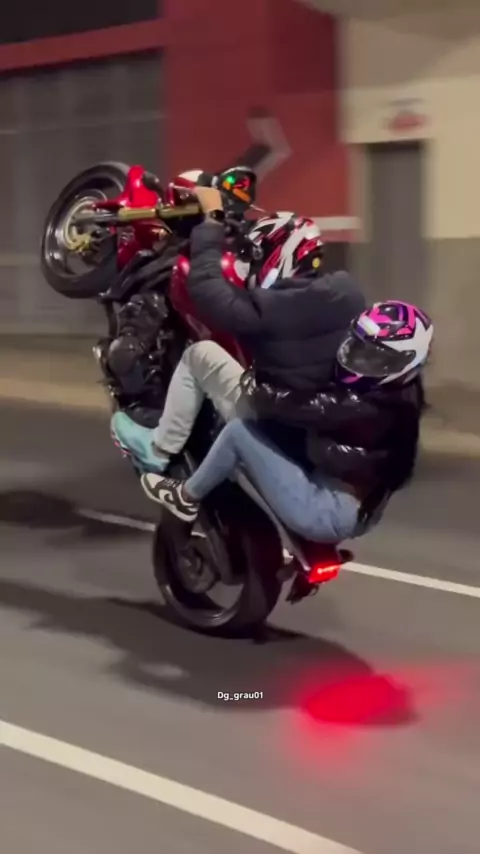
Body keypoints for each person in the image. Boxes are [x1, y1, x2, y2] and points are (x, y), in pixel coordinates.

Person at [111, 185, 366, 474]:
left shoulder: (269, 308)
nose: (251, 262)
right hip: (326, 424)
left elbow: (205, 288)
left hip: (278, 424)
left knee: (199, 355)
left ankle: (159, 448)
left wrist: (212, 220)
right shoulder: (348, 292)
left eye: (255, 254)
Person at [140, 301, 433, 544]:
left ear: (405, 362)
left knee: (240, 432)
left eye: (374, 357)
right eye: (358, 346)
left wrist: (263, 384)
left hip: (329, 510)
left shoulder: (357, 404)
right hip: (359, 503)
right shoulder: (402, 393)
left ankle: (185, 497)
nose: (359, 359)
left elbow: (287, 405)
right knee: (280, 433)